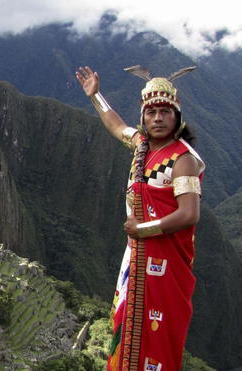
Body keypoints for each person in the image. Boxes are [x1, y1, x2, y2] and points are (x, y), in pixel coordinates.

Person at [76, 65, 204, 371]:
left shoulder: (183, 159)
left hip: (165, 259)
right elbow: (116, 125)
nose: (157, 118)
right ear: (143, 117)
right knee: (129, 322)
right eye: (151, 112)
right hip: (137, 254)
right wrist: (95, 96)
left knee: (158, 333)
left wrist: (141, 229)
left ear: (177, 117)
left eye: (164, 112)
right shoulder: (141, 148)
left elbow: (189, 213)